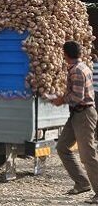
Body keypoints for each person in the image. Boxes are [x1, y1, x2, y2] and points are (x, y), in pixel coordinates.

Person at [54, 41, 98, 204]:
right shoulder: (80, 67)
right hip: (77, 114)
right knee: (62, 147)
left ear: (65, 54)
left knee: (87, 155)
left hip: (84, 114)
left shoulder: (77, 71)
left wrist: (60, 100)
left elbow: (77, 97)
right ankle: (82, 183)